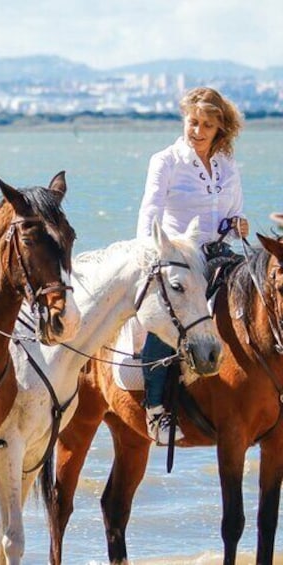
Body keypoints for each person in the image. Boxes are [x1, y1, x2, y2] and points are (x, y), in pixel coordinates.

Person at [136, 86, 249, 444]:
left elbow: (234, 212)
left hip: (219, 253)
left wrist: (239, 223)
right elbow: (149, 212)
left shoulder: (227, 165)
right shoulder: (165, 160)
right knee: (171, 314)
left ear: (220, 129)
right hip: (178, 256)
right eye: (193, 122)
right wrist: (150, 254)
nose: (197, 131)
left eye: (206, 125)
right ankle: (158, 409)